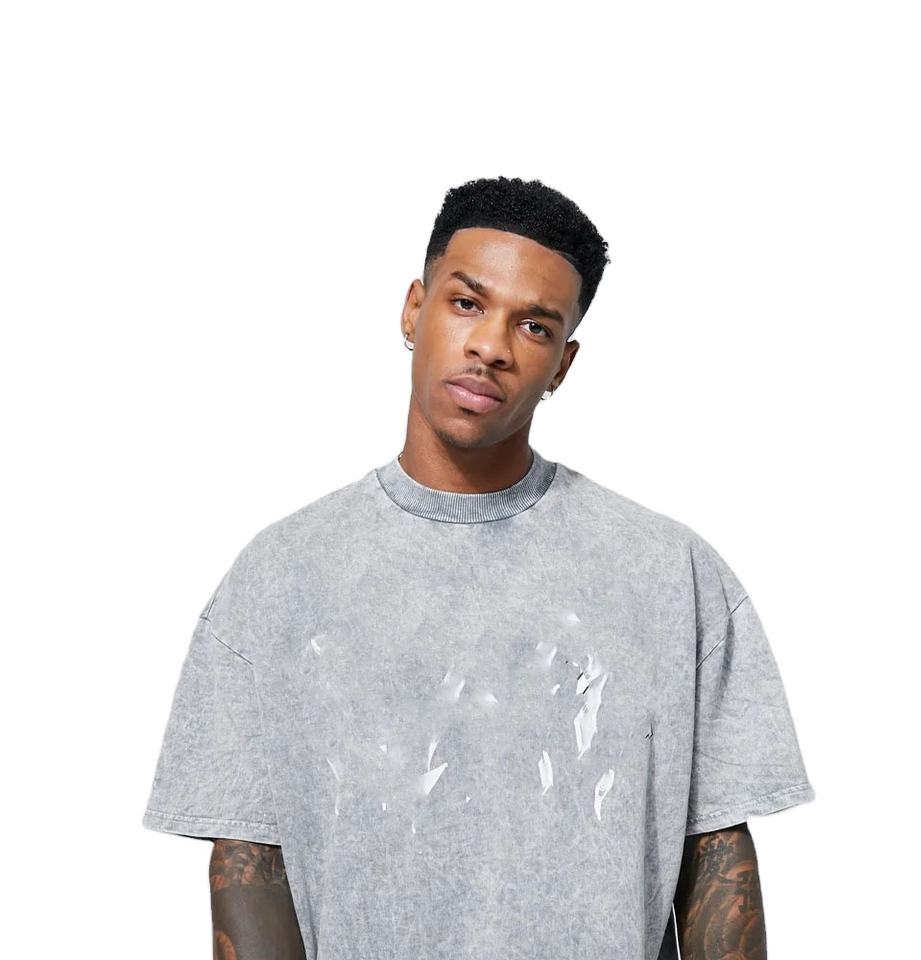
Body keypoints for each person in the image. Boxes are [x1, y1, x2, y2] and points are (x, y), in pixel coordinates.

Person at [142, 175, 816, 960]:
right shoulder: (279, 579)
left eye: (533, 326)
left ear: (561, 364)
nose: (491, 346)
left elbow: (717, 860)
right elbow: (249, 865)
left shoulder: (671, 575)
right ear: (413, 309)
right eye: (467, 303)